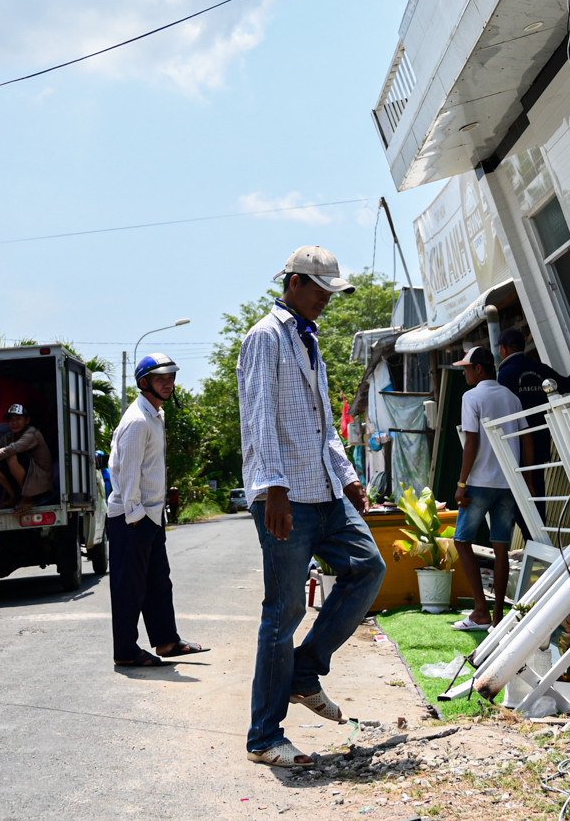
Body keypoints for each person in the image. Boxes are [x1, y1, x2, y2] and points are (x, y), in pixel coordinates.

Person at [239, 246, 385, 768]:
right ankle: (264, 738)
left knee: (368, 566)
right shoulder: (265, 336)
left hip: (323, 491)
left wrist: (348, 479)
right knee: (283, 612)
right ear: (294, 283)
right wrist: (273, 487)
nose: (326, 300)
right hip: (286, 497)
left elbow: (323, 426)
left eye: (331, 292)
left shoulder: (310, 339)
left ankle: (306, 670)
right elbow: (259, 416)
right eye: (320, 290)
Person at [107, 353, 207, 668]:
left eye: (171, 377)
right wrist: (135, 516)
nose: (169, 383)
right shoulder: (138, 420)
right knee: (129, 588)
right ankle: (125, 651)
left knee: (157, 583)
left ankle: (166, 641)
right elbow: (127, 474)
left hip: (149, 516)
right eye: (161, 378)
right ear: (144, 382)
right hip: (132, 518)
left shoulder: (155, 414)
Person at [450, 346, 525, 630]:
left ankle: (481, 611)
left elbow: (472, 442)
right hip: (508, 482)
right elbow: (525, 438)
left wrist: (461, 483)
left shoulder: (472, 397)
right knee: (502, 549)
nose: (465, 373)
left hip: (480, 482)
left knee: (461, 541)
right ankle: (497, 619)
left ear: (479, 368)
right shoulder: (512, 398)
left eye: (467, 368)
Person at [496, 327, 570, 499]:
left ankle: (528, 525)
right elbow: (567, 385)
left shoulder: (505, 374)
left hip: (518, 441)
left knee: (519, 495)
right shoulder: (539, 368)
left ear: (504, 349)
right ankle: (539, 522)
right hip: (542, 436)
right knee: (537, 487)